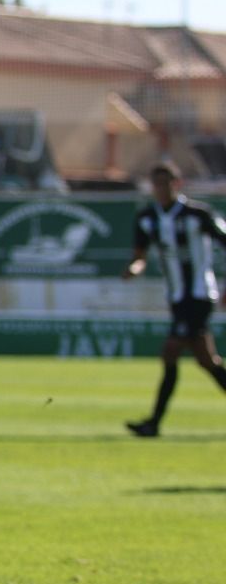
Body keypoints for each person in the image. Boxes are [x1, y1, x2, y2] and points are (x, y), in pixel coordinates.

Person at [122, 160, 226, 437]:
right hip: (177, 297)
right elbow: (139, 257)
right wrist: (134, 269)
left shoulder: (198, 214)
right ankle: (153, 424)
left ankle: (154, 423)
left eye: (165, 183)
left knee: (170, 350)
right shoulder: (147, 218)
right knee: (207, 361)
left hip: (200, 294)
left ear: (176, 184)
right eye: (155, 184)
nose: (160, 189)